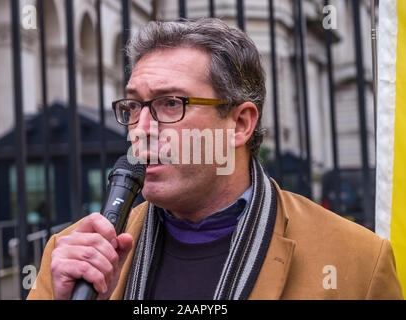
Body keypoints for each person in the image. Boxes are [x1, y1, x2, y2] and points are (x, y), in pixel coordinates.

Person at [27, 18, 403, 300]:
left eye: (170, 103)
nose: (140, 128)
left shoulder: (357, 264)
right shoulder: (72, 260)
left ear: (240, 123)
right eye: (134, 105)